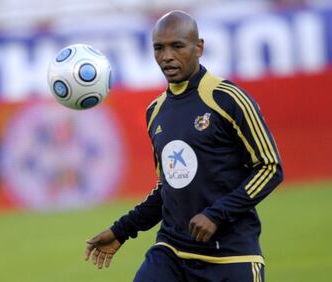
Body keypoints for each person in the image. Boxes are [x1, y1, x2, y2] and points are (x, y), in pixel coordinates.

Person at [84, 10, 283, 282]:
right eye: (159, 48)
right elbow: (169, 187)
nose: (167, 56)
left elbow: (270, 168)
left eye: (177, 46)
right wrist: (122, 230)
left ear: (198, 47)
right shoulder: (155, 111)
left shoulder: (228, 99)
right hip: (172, 253)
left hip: (231, 256)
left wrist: (217, 214)